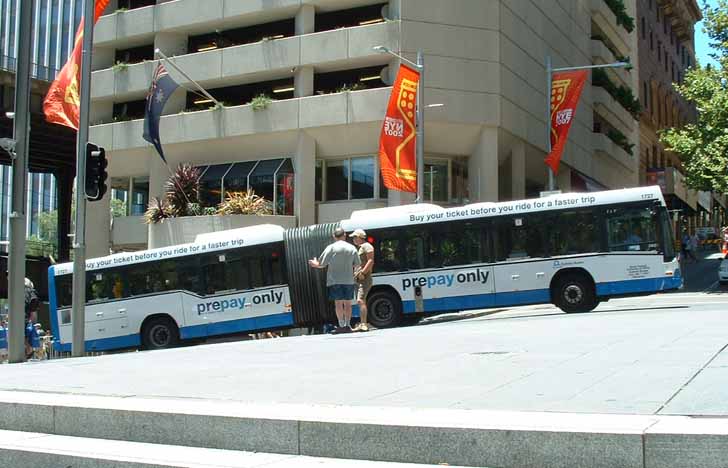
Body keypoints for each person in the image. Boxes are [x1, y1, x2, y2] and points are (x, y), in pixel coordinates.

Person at [309, 227, 361, 333]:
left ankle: (341, 325)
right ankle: (348, 325)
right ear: (344, 235)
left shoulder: (331, 248)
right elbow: (357, 264)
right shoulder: (351, 248)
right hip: (348, 280)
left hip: (334, 280)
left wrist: (315, 264)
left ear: (334, 236)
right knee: (348, 303)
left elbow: (321, 264)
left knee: (338, 303)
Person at [350, 229, 374, 332]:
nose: (353, 239)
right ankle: (362, 323)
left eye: (355, 237)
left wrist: (363, 273)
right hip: (359, 278)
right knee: (360, 300)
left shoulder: (367, 246)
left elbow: (370, 261)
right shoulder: (361, 248)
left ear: (360, 237)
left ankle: (364, 324)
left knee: (360, 300)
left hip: (364, 278)